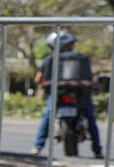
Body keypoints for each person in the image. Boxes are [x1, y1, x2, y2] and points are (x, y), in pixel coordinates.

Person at [32, 30, 102, 158]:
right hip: (80, 95)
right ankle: (97, 150)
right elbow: (91, 78)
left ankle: (37, 147)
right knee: (90, 118)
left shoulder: (49, 60)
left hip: (57, 94)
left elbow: (38, 78)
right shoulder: (82, 59)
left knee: (47, 117)